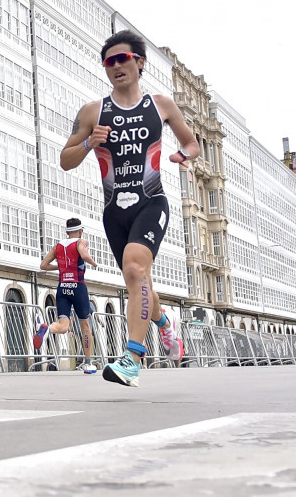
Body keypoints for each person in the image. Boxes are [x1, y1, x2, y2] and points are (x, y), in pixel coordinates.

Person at [61, 30, 199, 387]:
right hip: (114, 211)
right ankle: (165, 325)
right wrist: (90, 143)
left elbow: (191, 143)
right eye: (109, 62)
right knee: (137, 279)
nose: (117, 66)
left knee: (136, 267)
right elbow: (65, 160)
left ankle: (132, 358)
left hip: (151, 201)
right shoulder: (93, 111)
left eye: (123, 59)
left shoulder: (160, 105)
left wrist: (180, 156)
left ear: (139, 62)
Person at [35, 218, 100, 373]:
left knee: (63, 326)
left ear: (66, 232)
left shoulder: (57, 246)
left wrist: (60, 266)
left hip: (62, 288)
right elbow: (83, 255)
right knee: (85, 326)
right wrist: (94, 263)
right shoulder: (81, 242)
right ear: (80, 231)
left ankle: (48, 329)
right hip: (78, 286)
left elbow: (43, 265)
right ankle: (88, 363)